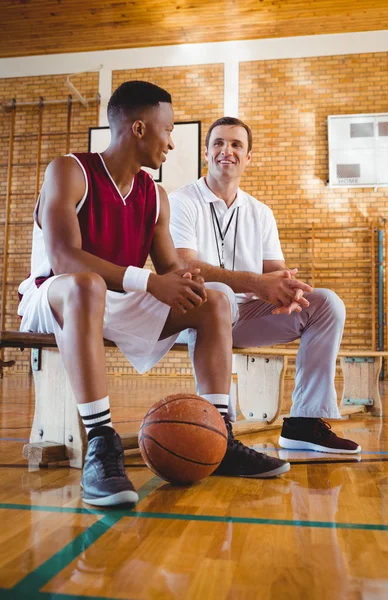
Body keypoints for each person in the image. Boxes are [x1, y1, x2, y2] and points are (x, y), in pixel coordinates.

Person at [18, 85, 305, 508]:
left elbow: (173, 271)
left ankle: (219, 435)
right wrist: (151, 284)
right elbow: (64, 260)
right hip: (55, 297)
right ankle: (100, 440)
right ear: (138, 128)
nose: (171, 141)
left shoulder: (156, 196)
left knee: (217, 299)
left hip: (118, 298)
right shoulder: (70, 170)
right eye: (167, 129)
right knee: (86, 284)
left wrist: (248, 284)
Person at [169, 116, 361, 455]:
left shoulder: (260, 212)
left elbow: (273, 271)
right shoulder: (181, 201)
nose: (226, 151)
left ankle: (305, 422)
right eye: (218, 143)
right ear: (206, 152)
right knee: (221, 295)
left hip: (245, 316)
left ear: (248, 157)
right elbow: (185, 266)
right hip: (196, 315)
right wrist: (256, 283)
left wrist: (290, 288)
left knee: (327, 303)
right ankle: (218, 424)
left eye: (236, 144)